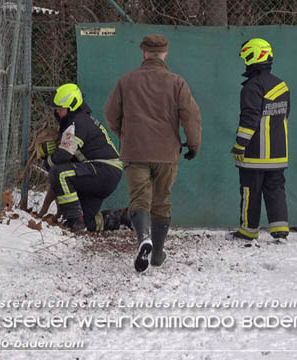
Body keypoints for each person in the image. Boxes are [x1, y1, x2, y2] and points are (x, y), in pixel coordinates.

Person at [104, 34, 202, 272]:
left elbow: (110, 116)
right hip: (167, 154)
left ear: (143, 53)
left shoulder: (126, 81)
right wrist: (193, 144)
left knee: (139, 199)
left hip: (135, 152)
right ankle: (157, 253)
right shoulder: (177, 82)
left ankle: (143, 239)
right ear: (166, 54)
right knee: (161, 203)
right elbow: (190, 116)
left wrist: (125, 136)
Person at [37, 83, 131, 232]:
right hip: (106, 173)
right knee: (90, 223)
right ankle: (126, 216)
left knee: (59, 173)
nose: (58, 113)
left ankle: (74, 220)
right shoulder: (81, 120)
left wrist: (47, 160)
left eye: (61, 109)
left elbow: (64, 155)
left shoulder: (76, 122)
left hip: (103, 170)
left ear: (71, 107)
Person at [227, 38, 291, 244]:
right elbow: (285, 115)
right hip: (279, 153)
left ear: (252, 57)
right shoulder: (282, 85)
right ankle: (280, 230)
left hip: (254, 154)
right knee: (276, 190)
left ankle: (248, 231)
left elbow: (249, 118)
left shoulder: (251, 87)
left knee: (250, 191)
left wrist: (240, 144)